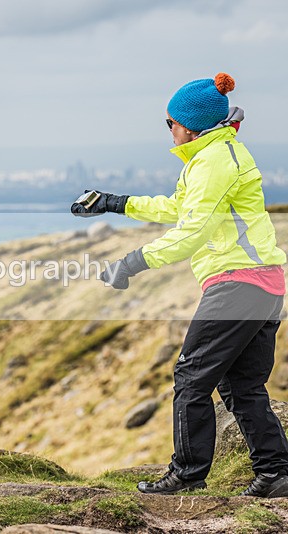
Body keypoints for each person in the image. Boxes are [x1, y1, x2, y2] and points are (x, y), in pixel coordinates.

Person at [71, 73, 288, 497]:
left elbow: (190, 234)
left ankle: (187, 475)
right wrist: (115, 202)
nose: (168, 129)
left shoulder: (213, 161)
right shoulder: (215, 154)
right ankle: (275, 474)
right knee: (241, 386)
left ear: (189, 125)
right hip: (263, 284)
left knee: (191, 377)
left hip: (238, 283)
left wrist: (130, 264)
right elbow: (179, 208)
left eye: (169, 122)